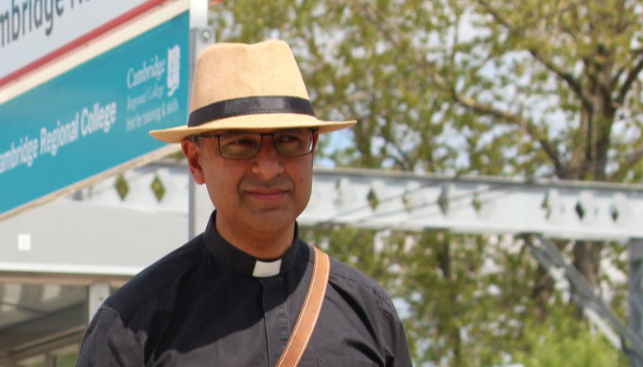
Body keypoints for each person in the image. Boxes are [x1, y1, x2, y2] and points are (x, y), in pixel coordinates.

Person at [75, 40, 412, 366]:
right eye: (239, 143)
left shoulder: (368, 314)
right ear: (195, 161)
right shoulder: (134, 328)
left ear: (314, 147)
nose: (268, 168)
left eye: (289, 141)